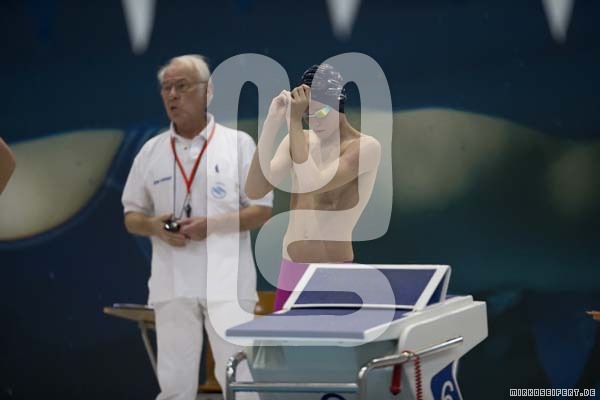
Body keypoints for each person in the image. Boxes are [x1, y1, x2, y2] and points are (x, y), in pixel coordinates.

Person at [122, 54, 271, 400]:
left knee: (239, 380)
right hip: (173, 283)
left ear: (208, 91)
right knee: (175, 386)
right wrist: (155, 226)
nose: (172, 95)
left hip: (228, 282)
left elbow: (262, 210)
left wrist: (212, 225)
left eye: (182, 86)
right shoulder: (151, 152)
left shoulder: (238, 145)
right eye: (166, 88)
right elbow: (132, 216)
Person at [246, 64, 381, 311]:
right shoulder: (300, 139)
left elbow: (313, 183)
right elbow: (254, 190)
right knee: (283, 337)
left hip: (333, 272)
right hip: (290, 270)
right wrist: (272, 122)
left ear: (339, 104)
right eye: (307, 115)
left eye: (321, 113)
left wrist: (294, 121)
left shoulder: (365, 148)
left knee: (328, 338)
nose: (314, 121)